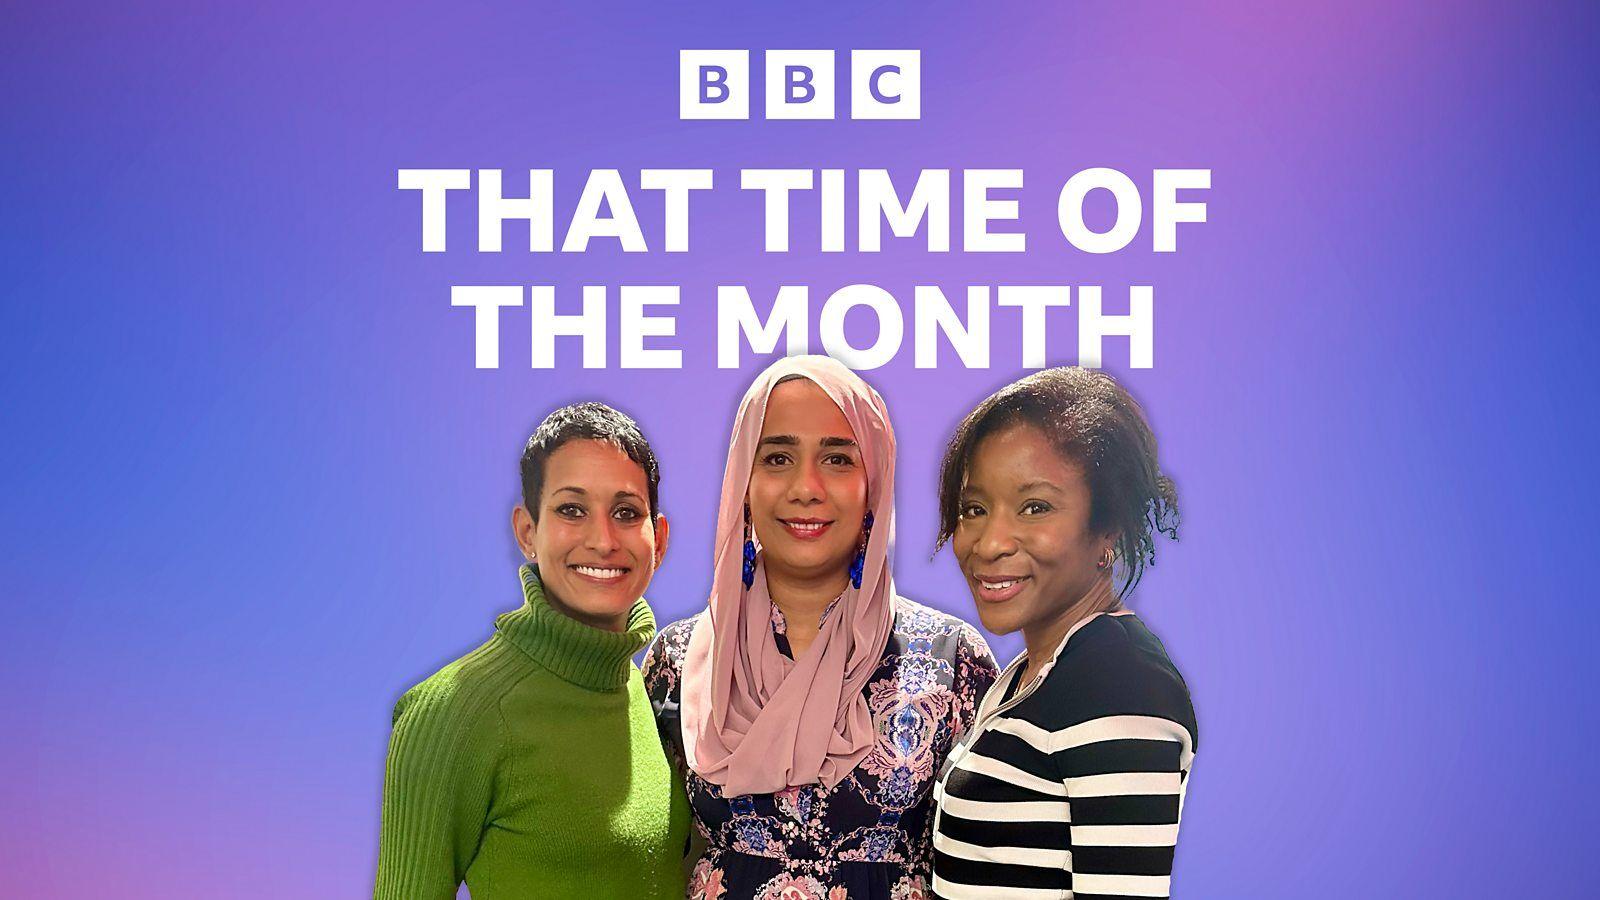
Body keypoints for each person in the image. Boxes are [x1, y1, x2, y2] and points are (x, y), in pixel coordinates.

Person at [643, 356, 998, 900]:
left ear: (873, 483)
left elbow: (988, 866)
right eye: (777, 458)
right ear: (743, 482)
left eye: (836, 459)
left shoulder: (951, 662)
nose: (806, 487)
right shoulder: (680, 659)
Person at [374, 403, 688, 899]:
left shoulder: (648, 688)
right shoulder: (450, 712)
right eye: (571, 510)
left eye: (626, 513)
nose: (603, 540)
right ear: (527, 532)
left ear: (660, 539)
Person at [930, 367, 1198, 900]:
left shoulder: (1120, 688)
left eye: (1035, 508)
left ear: (1108, 527)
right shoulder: (1038, 670)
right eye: (974, 509)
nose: (990, 543)